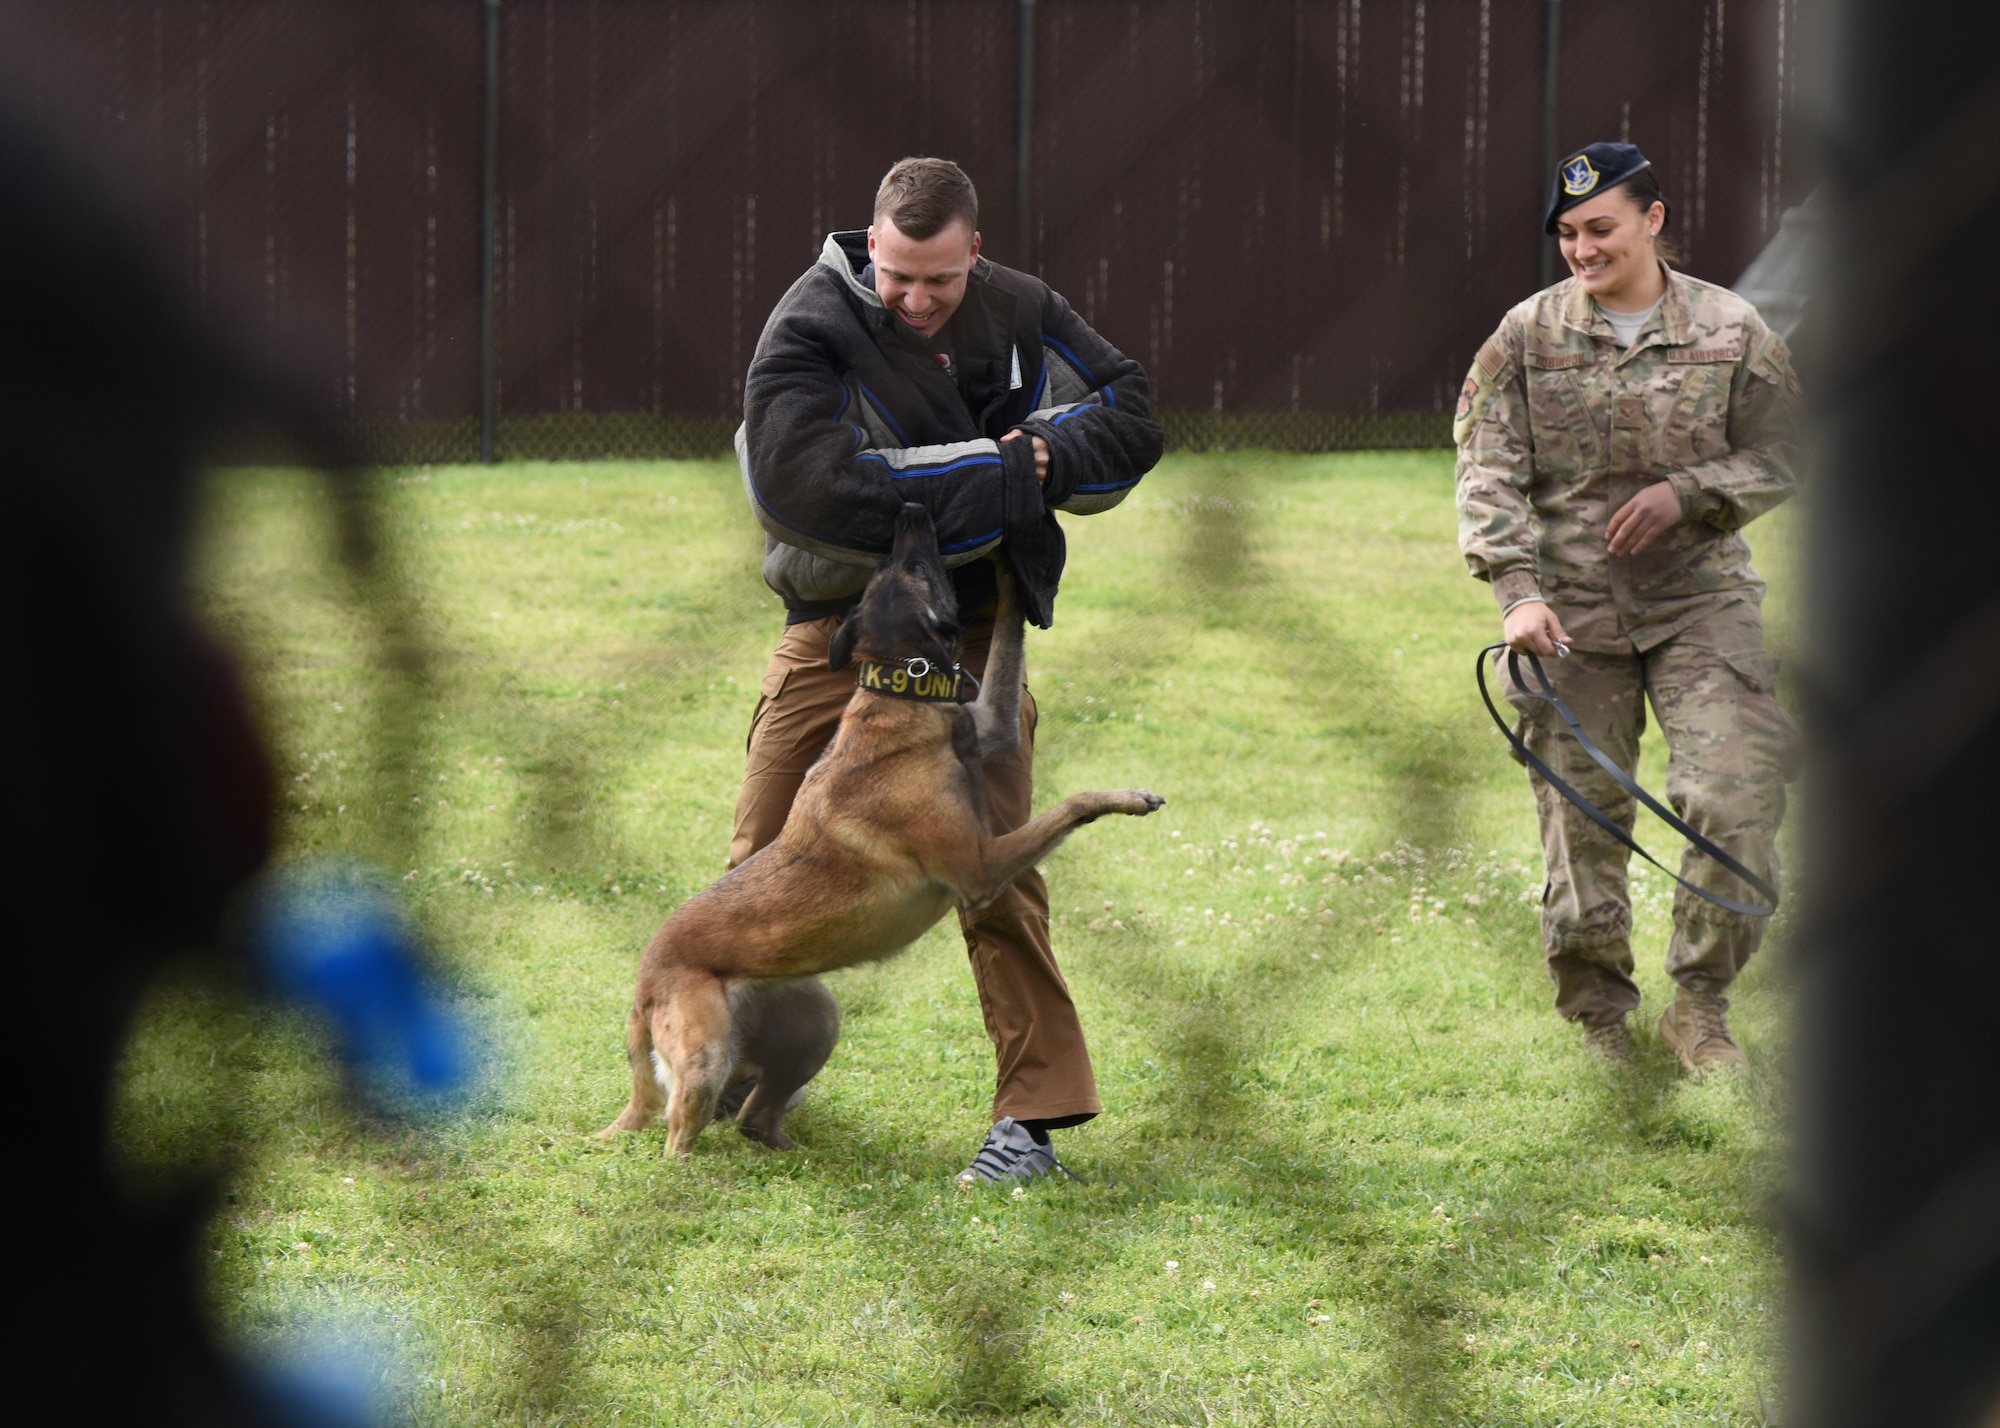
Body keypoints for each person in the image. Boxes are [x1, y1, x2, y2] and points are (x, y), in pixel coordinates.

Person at [732, 156, 1163, 1176]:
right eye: (897, 278)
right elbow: (807, 494)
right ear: (866, 245)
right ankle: (741, 1065)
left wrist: (1046, 450)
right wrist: (1012, 468)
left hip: (973, 631)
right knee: (758, 858)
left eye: (940, 278)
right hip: (838, 623)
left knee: (994, 865)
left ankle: (1032, 1121)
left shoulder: (1019, 307)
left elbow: (1134, 413)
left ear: (975, 249)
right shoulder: (807, 326)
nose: (918, 300)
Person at [1453, 141, 1802, 1073]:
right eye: (1567, 233)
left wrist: (1688, 492)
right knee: (1584, 821)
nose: (1581, 248)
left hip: (1701, 605)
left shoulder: (1732, 328)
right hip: (1567, 613)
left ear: (1653, 220)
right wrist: (1515, 595)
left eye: (1599, 227)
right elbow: (1486, 466)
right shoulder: (1525, 335)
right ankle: (1600, 1018)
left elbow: (1785, 453)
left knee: (1733, 791)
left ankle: (1700, 1005)